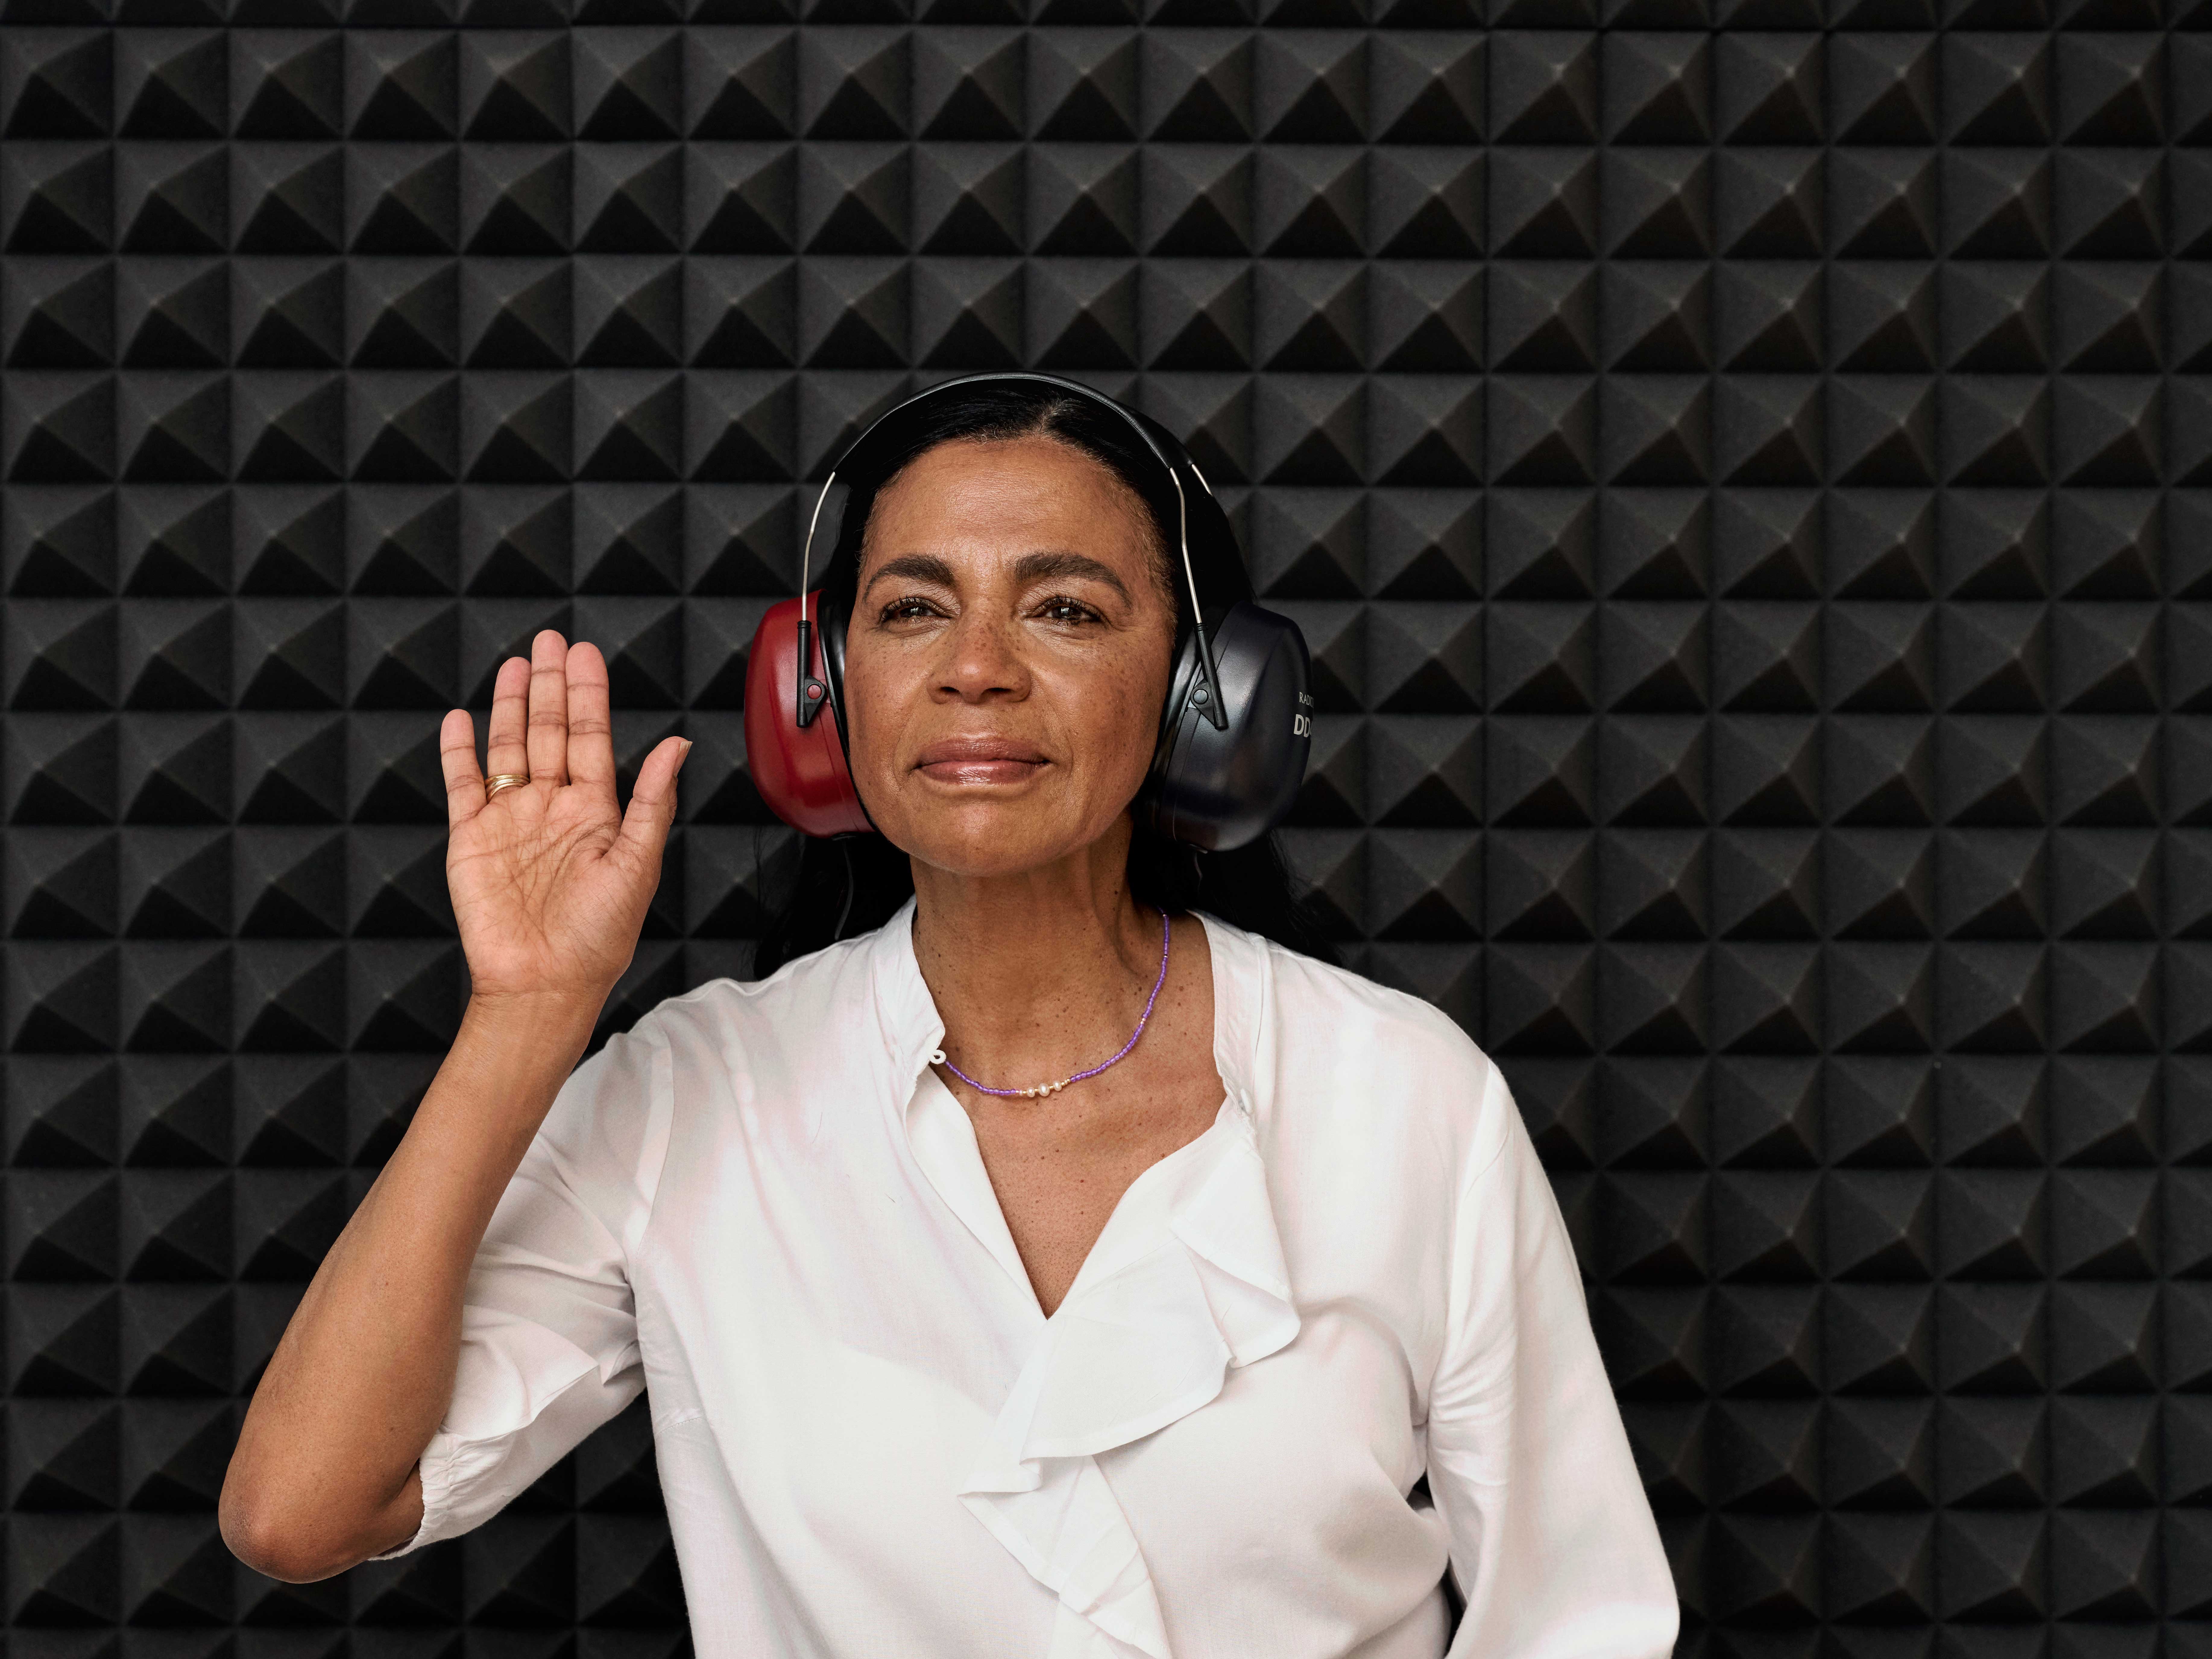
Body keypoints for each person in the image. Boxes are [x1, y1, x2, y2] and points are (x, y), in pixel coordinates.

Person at [220, 377, 1680, 1659]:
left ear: (1203, 698)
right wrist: (525, 1018)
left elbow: (1577, 1621)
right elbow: (300, 1509)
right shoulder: (690, 1094)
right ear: (821, 692)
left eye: (1063, 606)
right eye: (911, 606)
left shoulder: (1400, 1095)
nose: (974, 665)